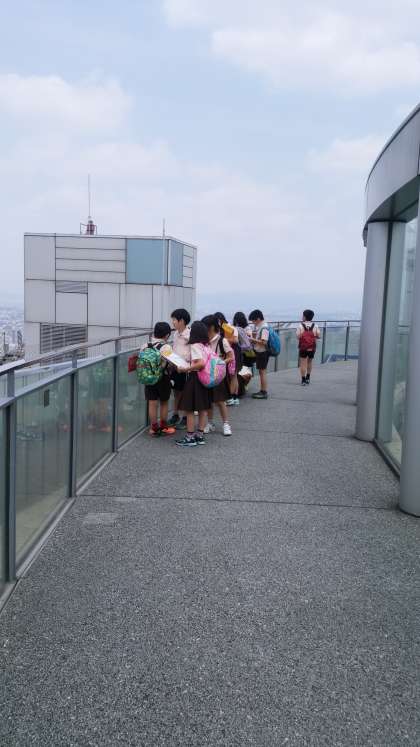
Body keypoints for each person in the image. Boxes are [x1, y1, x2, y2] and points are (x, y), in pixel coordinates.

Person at [176, 321, 212, 447]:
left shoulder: (195, 345)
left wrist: (185, 369)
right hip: (205, 379)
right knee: (202, 408)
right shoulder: (206, 346)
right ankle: (199, 436)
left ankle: (190, 437)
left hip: (195, 378)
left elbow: (200, 363)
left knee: (189, 409)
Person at [201, 314, 234, 436]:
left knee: (220, 401)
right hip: (207, 375)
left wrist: (219, 363)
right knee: (208, 400)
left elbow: (231, 357)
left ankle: (226, 424)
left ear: (211, 327)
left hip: (218, 375)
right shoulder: (204, 341)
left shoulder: (222, 340)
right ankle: (210, 423)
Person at [142, 322, 176, 437]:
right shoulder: (166, 347)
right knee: (164, 402)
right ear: (167, 335)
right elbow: (171, 363)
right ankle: (163, 427)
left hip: (148, 377)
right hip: (163, 377)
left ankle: (154, 428)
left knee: (152, 402)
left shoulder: (145, 345)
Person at [168, 308, 191, 430]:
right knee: (176, 392)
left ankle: (185, 418)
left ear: (181, 321)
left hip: (186, 368)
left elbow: (193, 352)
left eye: (174, 320)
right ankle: (175, 414)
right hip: (175, 367)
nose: (173, 322)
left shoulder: (190, 335)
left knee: (185, 393)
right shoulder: (176, 334)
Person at [248, 309, 269, 399]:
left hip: (262, 352)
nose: (253, 323)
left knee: (262, 372)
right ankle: (262, 390)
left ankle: (263, 392)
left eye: (253, 320)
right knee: (261, 372)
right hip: (261, 352)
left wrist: (252, 339)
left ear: (258, 319)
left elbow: (264, 342)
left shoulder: (264, 327)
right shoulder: (261, 326)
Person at [296, 309, 321, 386]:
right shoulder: (315, 326)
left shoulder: (300, 326)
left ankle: (303, 380)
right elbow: (318, 336)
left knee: (303, 363)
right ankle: (308, 377)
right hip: (312, 347)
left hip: (303, 347)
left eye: (303, 315)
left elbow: (298, 336)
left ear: (304, 317)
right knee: (309, 362)